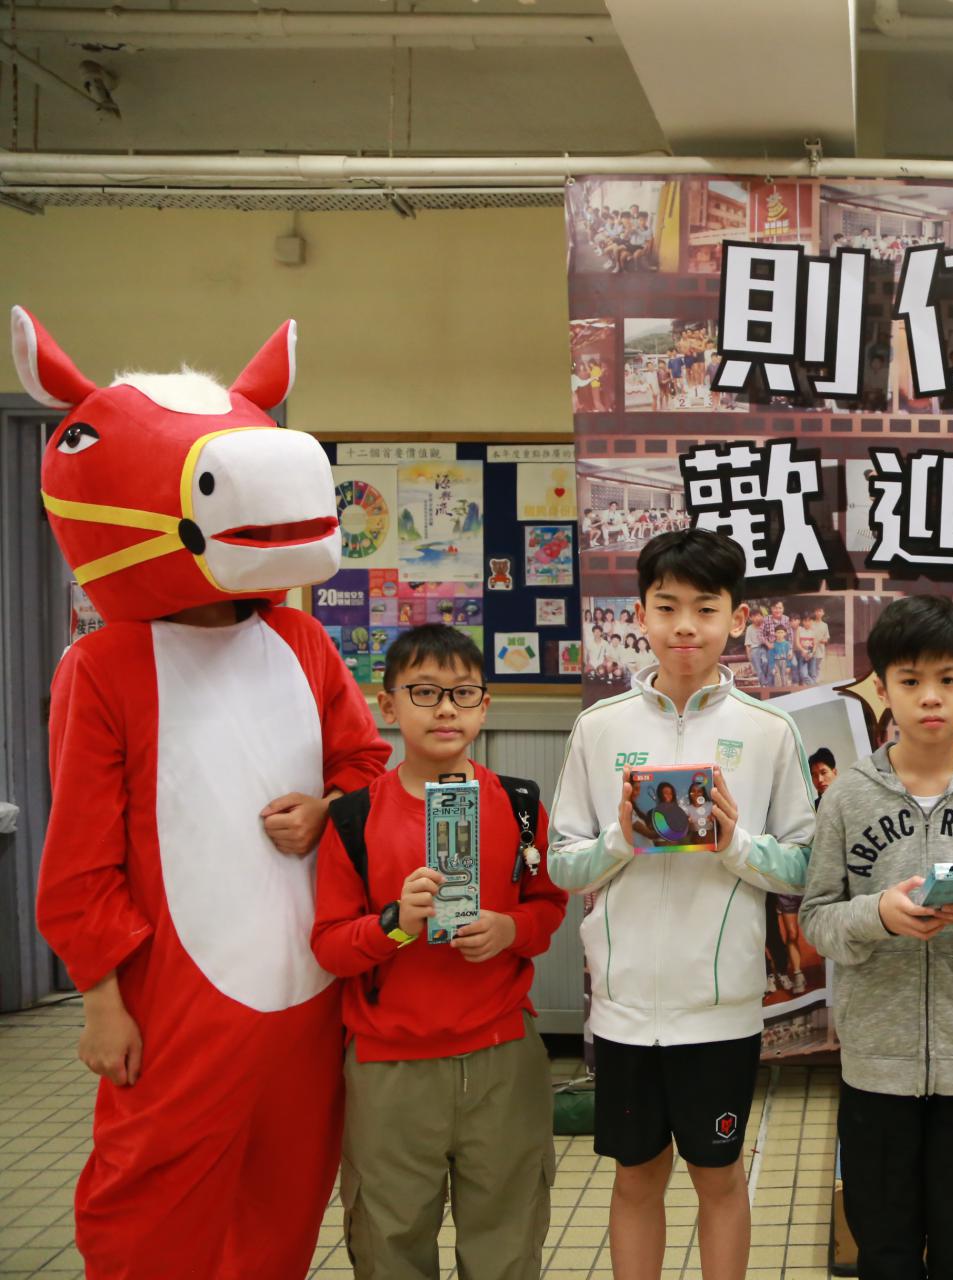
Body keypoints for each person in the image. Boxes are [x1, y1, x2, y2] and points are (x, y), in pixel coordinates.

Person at [23, 309, 392, 1280]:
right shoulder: (104, 666)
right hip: (173, 993)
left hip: (306, 982)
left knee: (287, 1189)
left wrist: (326, 811)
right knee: (153, 1196)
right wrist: (102, 1001)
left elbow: (364, 766)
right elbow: (80, 856)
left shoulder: (302, 641)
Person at [548, 528, 815, 1280]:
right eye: (667, 608)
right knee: (635, 1178)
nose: (685, 626)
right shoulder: (599, 728)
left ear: (738, 619)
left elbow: (805, 862)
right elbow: (564, 864)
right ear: (641, 615)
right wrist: (621, 838)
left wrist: (734, 843)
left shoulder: (769, 731)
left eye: (705, 607)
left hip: (721, 1009)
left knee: (719, 1178)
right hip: (625, 1009)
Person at [800, 595, 953, 1280]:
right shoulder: (847, 796)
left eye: (948, 679)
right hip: (875, 1070)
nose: (931, 698)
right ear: (882, 690)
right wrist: (878, 916)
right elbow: (817, 918)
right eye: (910, 681)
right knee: (883, 1249)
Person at [310, 625, 567, 1280]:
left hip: (502, 1055)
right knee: (390, 1243)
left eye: (463, 693)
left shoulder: (520, 805)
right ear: (388, 706)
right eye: (424, 692)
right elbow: (331, 947)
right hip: (389, 1068)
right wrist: (395, 925)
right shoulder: (353, 818)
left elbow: (548, 908)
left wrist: (509, 929)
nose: (446, 709)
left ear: (485, 706)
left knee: (506, 1241)